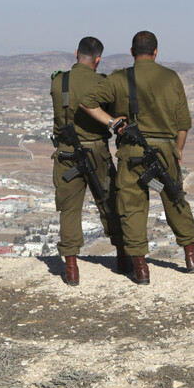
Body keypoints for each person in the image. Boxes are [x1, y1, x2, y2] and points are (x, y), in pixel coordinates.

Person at [81, 31, 194, 285]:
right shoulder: (171, 78)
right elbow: (183, 124)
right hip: (165, 149)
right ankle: (191, 256)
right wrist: (178, 150)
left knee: (132, 207)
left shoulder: (119, 78)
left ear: (132, 52)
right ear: (156, 52)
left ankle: (140, 268)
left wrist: (112, 122)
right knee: (174, 198)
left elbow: (87, 102)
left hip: (132, 151)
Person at [50, 36, 129, 286]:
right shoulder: (103, 83)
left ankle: (71, 267)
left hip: (66, 153)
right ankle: (123, 257)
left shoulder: (58, 81)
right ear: (98, 60)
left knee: (69, 208)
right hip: (97, 151)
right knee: (109, 201)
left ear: (76, 53)